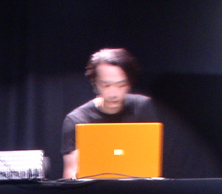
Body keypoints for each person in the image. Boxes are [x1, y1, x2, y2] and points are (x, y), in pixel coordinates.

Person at [61, 48, 161, 179]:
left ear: (129, 83)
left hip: (137, 190)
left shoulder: (143, 107)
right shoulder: (76, 119)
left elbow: (150, 162)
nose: (113, 94)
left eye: (121, 85)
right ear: (95, 83)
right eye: (106, 85)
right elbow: (71, 173)